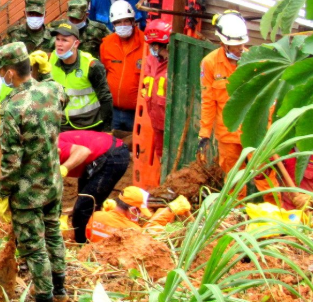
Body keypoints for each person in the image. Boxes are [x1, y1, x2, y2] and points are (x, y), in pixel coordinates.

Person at [0, 41, 69, 302]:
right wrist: (45, 74)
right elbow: (62, 95)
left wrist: (2, 194)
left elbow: (11, 161)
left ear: (11, 72)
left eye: (1, 72)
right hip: (53, 181)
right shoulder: (52, 89)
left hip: (27, 191)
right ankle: (60, 289)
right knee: (54, 235)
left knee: (34, 248)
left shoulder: (13, 108)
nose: (0, 76)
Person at [199, 12, 271, 192]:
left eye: (242, 44)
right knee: (233, 179)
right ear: (223, 43)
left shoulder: (256, 61)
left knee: (264, 175)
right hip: (227, 133)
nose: (240, 48)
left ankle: (272, 210)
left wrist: (267, 129)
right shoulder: (210, 63)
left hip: (253, 132)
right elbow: (208, 99)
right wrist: (205, 132)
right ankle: (234, 215)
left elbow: (268, 100)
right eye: (235, 45)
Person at [58, 130, 131, 243]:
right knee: (88, 204)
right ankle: (94, 236)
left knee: (83, 207)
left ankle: (83, 244)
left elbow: (83, 151)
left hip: (111, 155)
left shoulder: (53, 146)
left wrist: (64, 168)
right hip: (98, 157)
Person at [49, 22, 113, 132]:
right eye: (58, 39)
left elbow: (105, 98)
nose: (59, 44)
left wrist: (106, 129)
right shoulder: (50, 60)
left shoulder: (91, 65)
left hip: (89, 125)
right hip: (62, 125)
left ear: (76, 44)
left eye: (64, 40)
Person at [100, 1, 146, 133]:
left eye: (126, 21)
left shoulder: (145, 43)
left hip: (137, 113)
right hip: (113, 111)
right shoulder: (107, 44)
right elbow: (105, 72)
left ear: (133, 21)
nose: (122, 25)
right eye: (118, 22)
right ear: (113, 25)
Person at [87, 187, 190, 241]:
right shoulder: (133, 231)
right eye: (140, 211)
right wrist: (169, 210)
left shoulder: (95, 216)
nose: (140, 215)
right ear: (133, 210)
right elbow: (149, 236)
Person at [138, 20, 172, 165]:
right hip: (156, 119)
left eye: (153, 45)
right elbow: (146, 85)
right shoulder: (151, 60)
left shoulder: (176, 63)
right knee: (161, 155)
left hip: (171, 122)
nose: (152, 49)